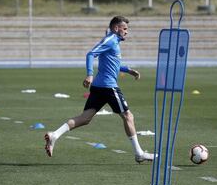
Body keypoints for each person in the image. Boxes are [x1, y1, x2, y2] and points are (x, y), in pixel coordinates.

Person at [44, 16, 155, 163]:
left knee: (85, 118)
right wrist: (89, 74)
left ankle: (55, 135)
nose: (127, 32)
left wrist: (128, 70)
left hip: (99, 87)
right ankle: (139, 153)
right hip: (108, 87)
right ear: (116, 28)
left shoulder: (114, 42)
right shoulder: (110, 40)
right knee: (128, 116)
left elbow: (112, 63)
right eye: (125, 29)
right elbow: (90, 54)